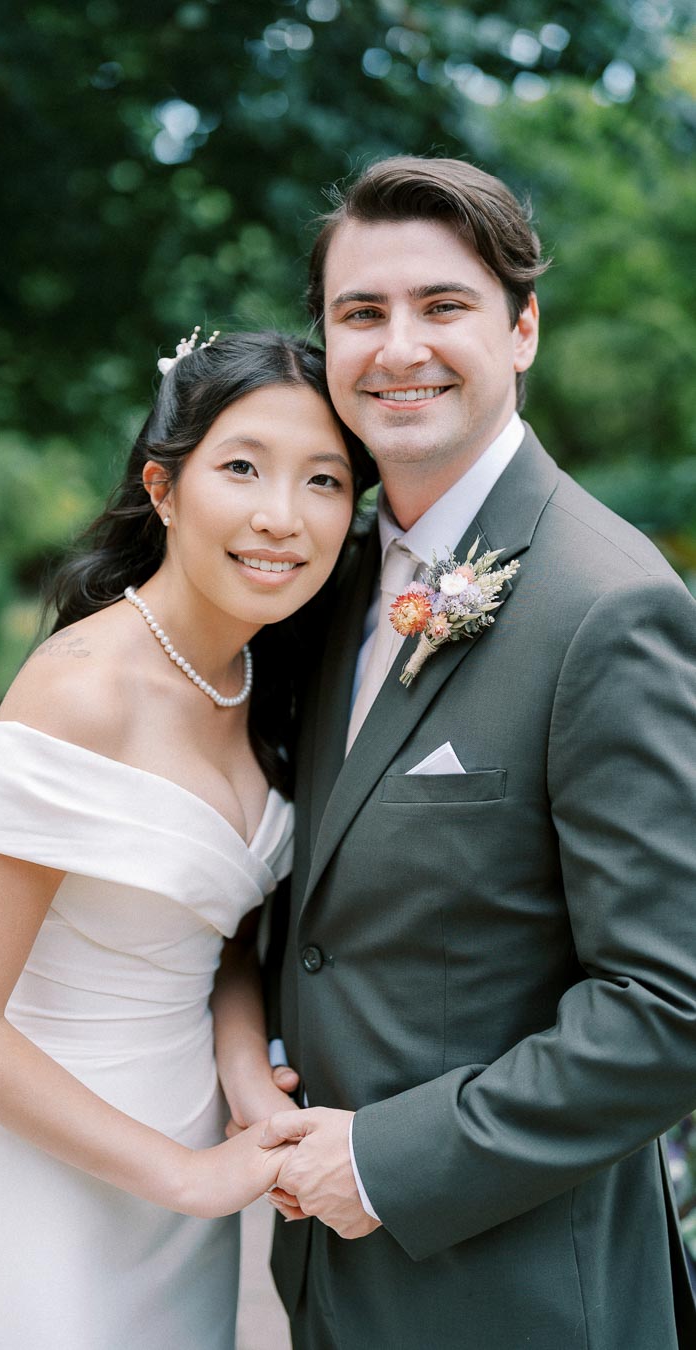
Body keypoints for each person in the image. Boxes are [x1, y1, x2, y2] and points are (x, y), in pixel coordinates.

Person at [0, 330, 374, 1350]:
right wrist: (191, 1177)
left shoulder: (269, 679)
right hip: (39, 1163)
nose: (282, 516)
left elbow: (221, 936)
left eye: (324, 480)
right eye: (241, 467)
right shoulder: (82, 691)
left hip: (175, 1164)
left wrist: (246, 1078)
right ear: (162, 487)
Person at [260, 157, 696, 1349]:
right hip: (331, 1280)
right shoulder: (327, 584)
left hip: (521, 1294)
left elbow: (672, 1006)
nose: (400, 346)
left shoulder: (607, 607)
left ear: (523, 330)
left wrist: (390, 1161)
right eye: (362, 312)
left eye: (443, 305)